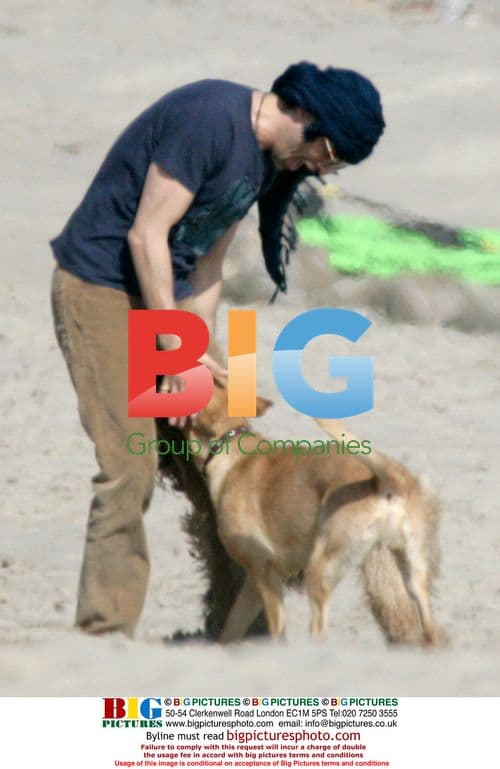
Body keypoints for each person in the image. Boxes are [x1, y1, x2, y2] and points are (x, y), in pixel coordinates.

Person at [50, 61, 385, 638]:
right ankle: (104, 637)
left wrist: (194, 356)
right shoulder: (207, 119)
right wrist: (174, 351)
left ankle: (241, 633)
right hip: (102, 288)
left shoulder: (264, 162)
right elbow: (146, 235)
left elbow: (207, 265)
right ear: (304, 113)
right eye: (327, 152)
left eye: (334, 167)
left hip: (168, 296)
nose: (319, 168)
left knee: (232, 453)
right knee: (130, 466)